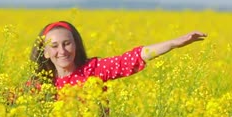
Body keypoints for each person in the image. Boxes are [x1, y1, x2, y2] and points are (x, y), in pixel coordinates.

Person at [28, 20, 207, 91]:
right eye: (54, 46)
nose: (62, 51)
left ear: (76, 44)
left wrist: (174, 43)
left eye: (67, 43)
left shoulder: (93, 71)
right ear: (45, 51)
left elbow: (132, 59)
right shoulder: (40, 84)